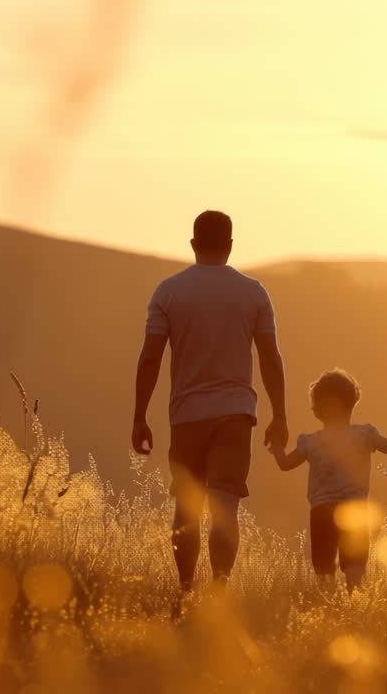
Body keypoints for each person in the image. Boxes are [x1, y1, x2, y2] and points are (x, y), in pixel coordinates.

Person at [132, 210, 289, 597]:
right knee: (225, 506)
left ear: (192, 244)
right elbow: (271, 357)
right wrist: (280, 414)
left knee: (187, 508)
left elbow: (150, 357)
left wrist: (139, 416)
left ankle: (186, 591)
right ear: (231, 245)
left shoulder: (168, 292)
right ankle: (219, 592)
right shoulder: (253, 292)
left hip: (186, 415)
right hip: (236, 414)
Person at [270, 369, 387, 591]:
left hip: (321, 511)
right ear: (351, 402)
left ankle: (328, 609)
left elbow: (285, 464)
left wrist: (276, 446)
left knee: (324, 567)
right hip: (355, 511)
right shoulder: (363, 435)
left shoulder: (310, 442)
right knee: (355, 564)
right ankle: (354, 603)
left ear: (318, 408)